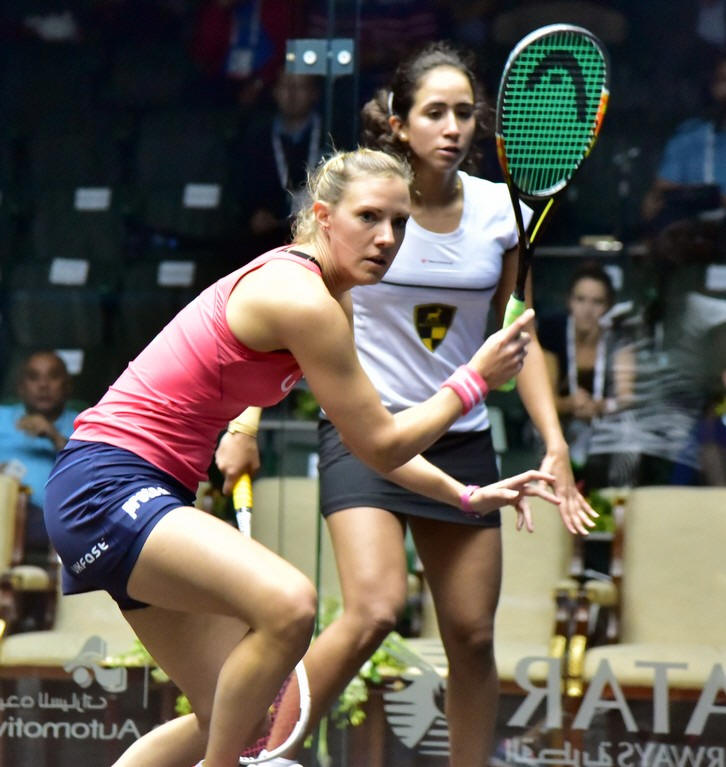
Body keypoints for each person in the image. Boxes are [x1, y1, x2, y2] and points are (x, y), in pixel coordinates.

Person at [44, 147, 558, 767]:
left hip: (135, 492)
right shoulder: (301, 298)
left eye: (399, 222)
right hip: (106, 485)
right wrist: (473, 379)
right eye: (368, 217)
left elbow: (371, 440)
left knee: (231, 717)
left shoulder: (333, 300)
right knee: (290, 604)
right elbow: (382, 443)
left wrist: (463, 495)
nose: (387, 238)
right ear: (323, 216)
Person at [216, 43, 597, 767]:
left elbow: (519, 336)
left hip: (461, 437)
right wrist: (246, 420)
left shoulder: (502, 212)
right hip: (366, 433)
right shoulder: (365, 201)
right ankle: (260, 754)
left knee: (472, 636)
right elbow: (286, 304)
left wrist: (554, 443)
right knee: (374, 610)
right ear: (398, 122)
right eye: (434, 112)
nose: (452, 127)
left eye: (465, 113)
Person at [538, 261, 623, 475]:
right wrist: (570, 404)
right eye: (580, 299)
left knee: (628, 434)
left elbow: (626, 398)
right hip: (563, 420)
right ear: (569, 301)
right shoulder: (553, 332)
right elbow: (545, 400)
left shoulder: (617, 336)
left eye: (597, 302)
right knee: (543, 429)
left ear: (608, 306)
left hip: (604, 423)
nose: (588, 310)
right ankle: (547, 488)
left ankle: (616, 493)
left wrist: (600, 406)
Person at [233, 68, 324, 263]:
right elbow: (240, 185)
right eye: (284, 86)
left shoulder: (331, 133)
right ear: (274, 92)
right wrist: (252, 214)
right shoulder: (256, 137)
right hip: (265, 243)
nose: (291, 94)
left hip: (318, 238)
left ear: (314, 93)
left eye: (300, 87)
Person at [641, 50, 726, 231]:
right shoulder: (689, 138)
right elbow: (654, 204)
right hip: (696, 237)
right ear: (713, 88)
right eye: (723, 80)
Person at [0, 350, 79, 509]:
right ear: (21, 387)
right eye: (33, 377)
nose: (43, 385)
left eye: (53, 376)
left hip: (56, 519)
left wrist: (55, 437)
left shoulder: (84, 424)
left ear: (67, 385)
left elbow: (96, 474)